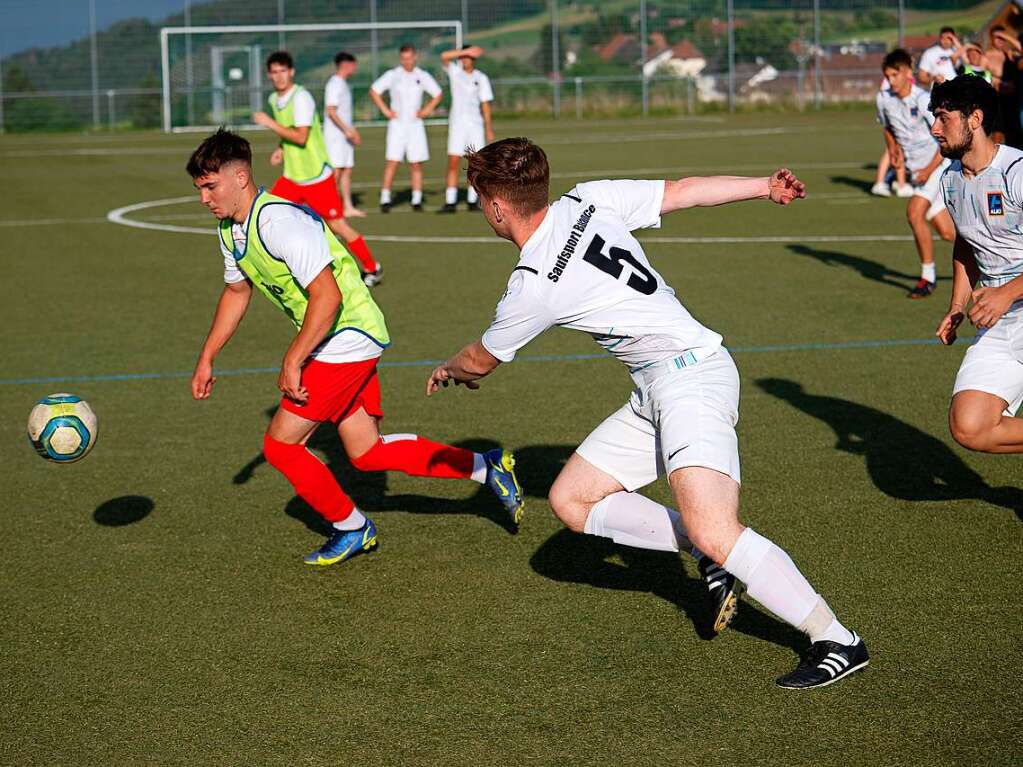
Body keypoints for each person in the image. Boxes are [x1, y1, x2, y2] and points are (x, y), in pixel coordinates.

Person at [426, 137, 869, 689]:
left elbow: (480, 360)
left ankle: (837, 639)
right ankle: (710, 559)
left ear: (496, 207)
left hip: (692, 381)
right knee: (571, 500)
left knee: (716, 527)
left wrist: (449, 369)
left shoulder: (532, 286)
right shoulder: (587, 200)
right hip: (656, 388)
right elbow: (682, 192)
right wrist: (762, 186)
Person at [186, 128, 525, 566]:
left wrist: (294, 359)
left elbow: (329, 298)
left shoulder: (279, 222)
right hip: (339, 337)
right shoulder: (230, 229)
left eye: (210, 187)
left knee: (282, 447)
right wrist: (207, 357)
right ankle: (487, 466)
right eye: (199, 189)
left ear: (240, 177)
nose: (204, 198)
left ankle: (352, 527)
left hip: (346, 337)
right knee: (367, 454)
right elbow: (236, 292)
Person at [930, 75, 1023, 454]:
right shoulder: (950, 179)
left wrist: (1006, 292)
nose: (934, 129)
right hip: (998, 319)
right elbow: (967, 244)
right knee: (970, 427)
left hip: (1007, 300)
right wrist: (956, 305)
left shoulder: (1017, 172)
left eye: (943, 117)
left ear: (975, 118)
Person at [252, 51, 383, 287]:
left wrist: (269, 124)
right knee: (267, 216)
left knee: (337, 225)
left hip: (315, 178)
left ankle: (372, 267)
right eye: (274, 72)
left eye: (283, 71)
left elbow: (301, 137)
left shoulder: (301, 98)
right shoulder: (274, 99)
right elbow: (290, 130)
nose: (279, 76)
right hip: (292, 176)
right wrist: (281, 147)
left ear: (291, 72)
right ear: (269, 75)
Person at [878, 49, 956, 298]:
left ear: (906, 73)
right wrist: (893, 149)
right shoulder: (883, 99)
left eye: (894, 75)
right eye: (888, 76)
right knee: (948, 233)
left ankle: (927, 278)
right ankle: (1000, 252)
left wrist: (928, 169)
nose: (891, 80)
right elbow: (887, 126)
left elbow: (945, 137)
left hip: (938, 166)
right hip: (918, 172)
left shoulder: (923, 99)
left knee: (914, 213)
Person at [369, 44, 443, 212]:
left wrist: (426, 110)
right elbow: (374, 91)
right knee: (392, 162)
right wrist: (385, 110)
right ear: (400, 58)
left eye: (409, 58)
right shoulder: (393, 75)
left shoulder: (422, 76)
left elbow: (437, 94)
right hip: (397, 125)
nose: (407, 62)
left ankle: (416, 199)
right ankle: (385, 198)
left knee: (416, 163)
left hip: (415, 125)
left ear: (415, 57)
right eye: (404, 59)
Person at [438, 45, 495, 213]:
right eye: (463, 57)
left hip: (475, 126)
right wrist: (464, 51)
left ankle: (472, 199)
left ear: (473, 60)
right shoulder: (455, 73)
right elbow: (444, 56)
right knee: (453, 162)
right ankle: (450, 201)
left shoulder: (481, 78)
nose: (465, 60)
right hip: (457, 125)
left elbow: (485, 104)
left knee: (475, 163)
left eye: (468, 57)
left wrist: (488, 128)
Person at [324, 51, 365, 218]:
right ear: (346, 64)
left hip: (344, 137)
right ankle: (327, 206)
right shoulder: (334, 84)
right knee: (336, 171)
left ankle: (347, 206)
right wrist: (347, 130)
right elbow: (331, 111)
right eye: (353, 64)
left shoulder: (343, 84)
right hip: (335, 137)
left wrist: (351, 131)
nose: (355, 68)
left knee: (347, 169)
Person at [872, 77, 911, 197]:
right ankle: (898, 185)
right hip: (894, 116)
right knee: (893, 149)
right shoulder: (892, 79)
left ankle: (895, 182)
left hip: (897, 115)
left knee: (896, 149)